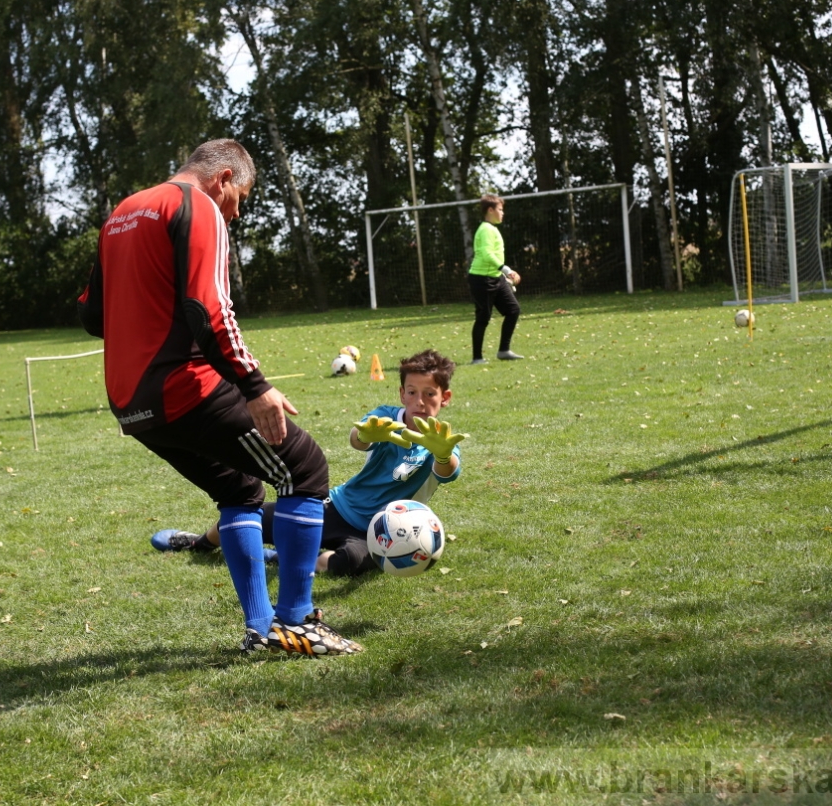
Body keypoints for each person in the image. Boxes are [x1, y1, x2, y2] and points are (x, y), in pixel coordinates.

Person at [77, 139, 359, 657]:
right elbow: (209, 309)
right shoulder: (197, 206)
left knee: (240, 489)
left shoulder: (122, 212)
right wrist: (255, 386)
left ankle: (261, 629)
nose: (235, 212)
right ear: (224, 178)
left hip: (131, 403)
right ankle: (296, 621)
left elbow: (92, 317)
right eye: (241, 198)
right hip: (183, 386)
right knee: (306, 468)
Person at [151, 349, 465, 577]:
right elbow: (358, 440)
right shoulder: (388, 417)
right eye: (412, 392)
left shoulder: (443, 441)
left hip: (378, 531)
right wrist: (365, 433)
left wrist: (439, 452)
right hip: (337, 508)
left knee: (349, 563)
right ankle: (199, 544)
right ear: (402, 393)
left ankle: (286, 558)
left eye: (429, 394)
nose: (419, 402)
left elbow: (447, 470)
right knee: (249, 516)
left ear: (445, 398)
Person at [468, 194, 522, 364]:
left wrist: (502, 275)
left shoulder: (492, 229)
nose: (502, 213)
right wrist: (506, 270)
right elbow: (486, 254)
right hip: (481, 279)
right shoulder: (485, 229)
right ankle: (477, 358)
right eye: (500, 209)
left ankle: (504, 351)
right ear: (490, 210)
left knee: (513, 310)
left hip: (496, 277)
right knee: (483, 317)